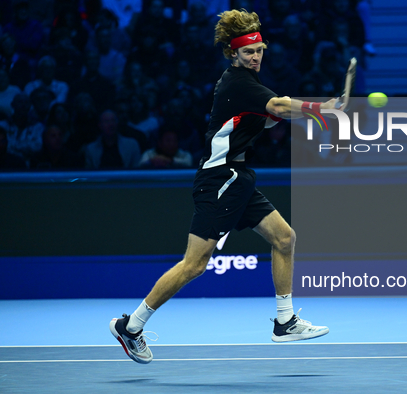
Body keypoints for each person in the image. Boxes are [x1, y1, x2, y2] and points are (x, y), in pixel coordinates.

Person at [110, 8, 338, 364]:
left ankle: (285, 321)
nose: (256, 56)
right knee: (194, 265)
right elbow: (278, 105)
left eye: (260, 50)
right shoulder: (240, 82)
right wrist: (321, 108)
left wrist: (285, 116)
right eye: (249, 52)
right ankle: (132, 325)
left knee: (284, 238)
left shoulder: (244, 86)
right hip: (221, 180)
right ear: (233, 54)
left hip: (237, 179)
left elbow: (263, 120)